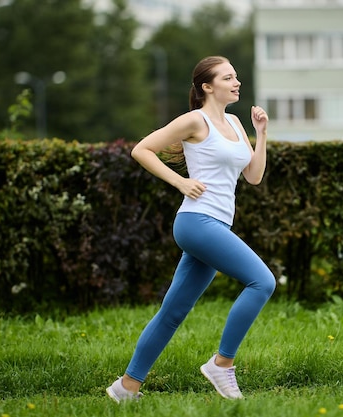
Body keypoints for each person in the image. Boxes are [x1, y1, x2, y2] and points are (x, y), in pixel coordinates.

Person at [106, 55, 276, 402]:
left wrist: (261, 134)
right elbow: (143, 150)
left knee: (172, 313)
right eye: (228, 77)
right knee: (262, 281)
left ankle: (126, 389)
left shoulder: (233, 123)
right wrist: (181, 182)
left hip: (214, 224)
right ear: (207, 86)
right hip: (197, 222)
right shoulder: (194, 121)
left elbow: (254, 177)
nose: (236, 82)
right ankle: (222, 363)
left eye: (236, 77)